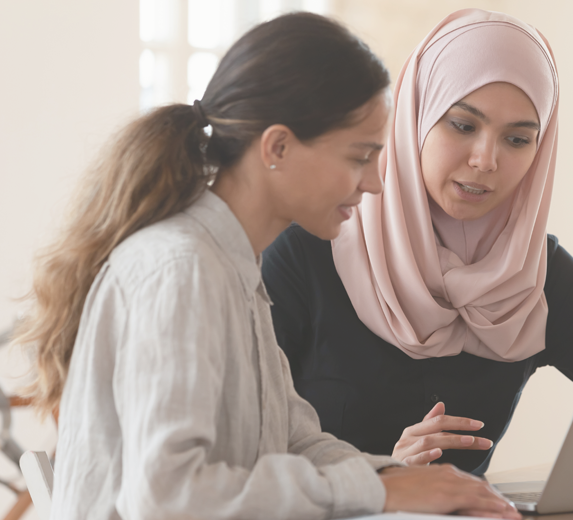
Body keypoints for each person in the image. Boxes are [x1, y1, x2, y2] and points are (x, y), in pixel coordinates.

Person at [12, 12, 520, 520]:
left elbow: (295, 440)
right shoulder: (182, 268)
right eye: (359, 156)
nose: (374, 183)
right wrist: (380, 492)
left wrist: (404, 480)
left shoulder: (234, 265)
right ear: (277, 147)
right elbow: (166, 495)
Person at [262, 9, 573, 476]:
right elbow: (245, 456)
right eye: (463, 125)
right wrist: (380, 475)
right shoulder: (308, 251)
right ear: (416, 118)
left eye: (516, 140)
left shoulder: (531, 272)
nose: (486, 160)